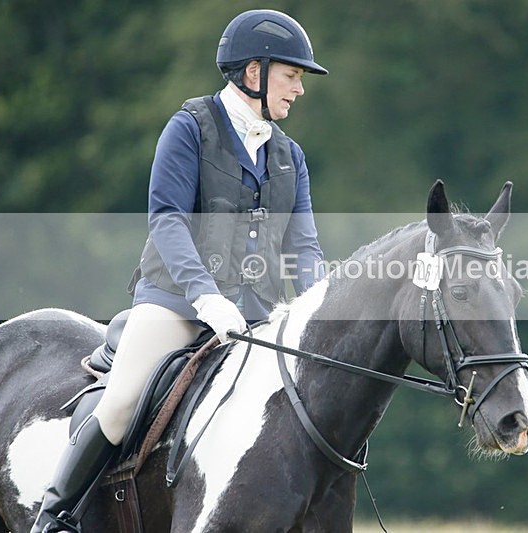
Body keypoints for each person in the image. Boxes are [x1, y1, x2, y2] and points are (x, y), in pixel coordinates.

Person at [31, 9, 327, 532]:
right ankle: (55, 519)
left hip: (254, 320)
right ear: (254, 74)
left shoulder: (290, 157)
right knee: (121, 402)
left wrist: (317, 314)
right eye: (292, 76)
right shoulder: (190, 128)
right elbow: (166, 221)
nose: (299, 90)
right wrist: (206, 297)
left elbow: (303, 250)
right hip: (175, 303)